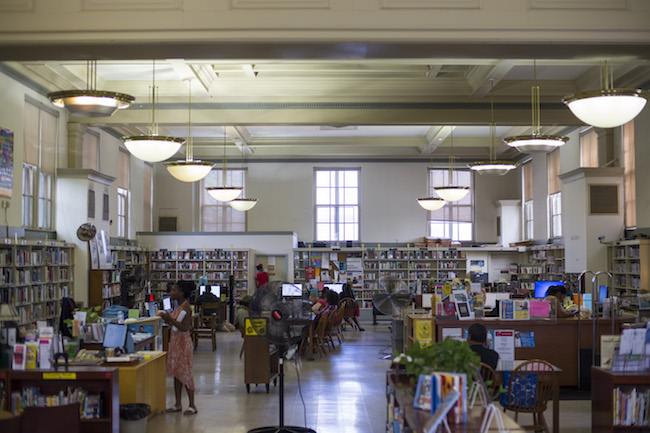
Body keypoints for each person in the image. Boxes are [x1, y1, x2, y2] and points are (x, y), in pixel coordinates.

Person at [159, 280, 197, 415]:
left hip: (183, 344)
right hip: (175, 343)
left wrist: (169, 318)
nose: (171, 293)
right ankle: (178, 404)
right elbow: (174, 326)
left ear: (181, 293)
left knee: (186, 373)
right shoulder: (178, 307)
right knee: (176, 373)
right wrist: (167, 319)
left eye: (174, 290)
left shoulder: (186, 308)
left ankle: (192, 405)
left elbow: (184, 327)